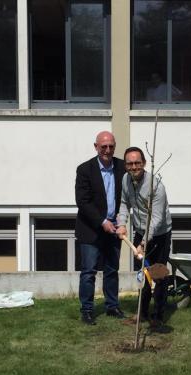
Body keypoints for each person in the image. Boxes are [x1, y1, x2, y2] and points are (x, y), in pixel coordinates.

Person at [116, 146, 172, 327]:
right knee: (143, 275)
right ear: (125, 166)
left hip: (159, 235)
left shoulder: (156, 186)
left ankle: (157, 317)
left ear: (144, 163)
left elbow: (156, 219)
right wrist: (122, 223)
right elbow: (124, 203)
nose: (134, 167)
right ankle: (142, 314)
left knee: (158, 275)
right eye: (130, 164)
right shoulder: (126, 180)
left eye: (137, 163)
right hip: (140, 231)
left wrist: (143, 243)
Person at [74, 131, 127, 325]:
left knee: (112, 270)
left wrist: (121, 222)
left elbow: (126, 198)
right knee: (89, 272)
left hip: (114, 229)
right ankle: (87, 310)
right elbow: (83, 202)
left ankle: (112, 306)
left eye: (111, 146)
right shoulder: (84, 170)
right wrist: (102, 222)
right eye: (103, 146)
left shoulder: (123, 167)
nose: (107, 150)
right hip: (91, 230)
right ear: (96, 147)